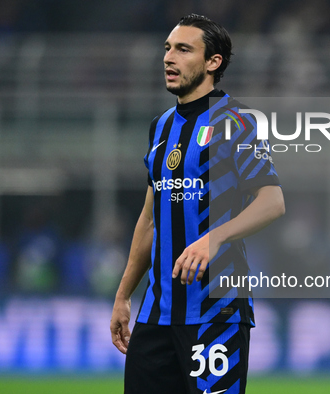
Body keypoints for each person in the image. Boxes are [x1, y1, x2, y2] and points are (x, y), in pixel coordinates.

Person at [110, 14, 284, 394]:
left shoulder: (238, 121)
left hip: (216, 311)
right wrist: (124, 296)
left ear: (213, 62)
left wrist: (213, 238)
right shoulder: (161, 126)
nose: (169, 58)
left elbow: (272, 202)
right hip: (156, 314)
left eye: (184, 50)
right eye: (168, 49)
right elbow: (150, 220)